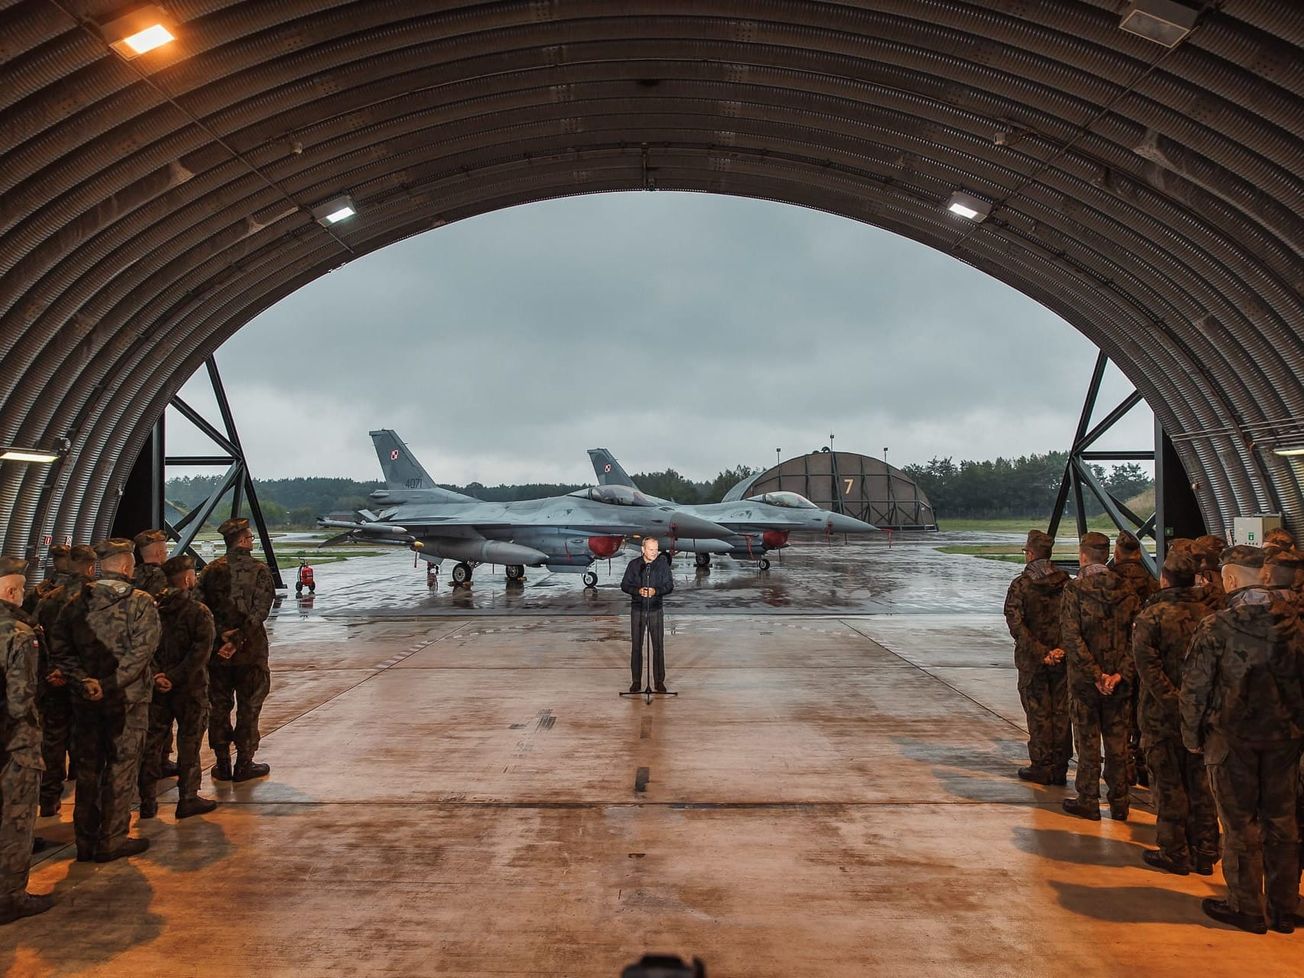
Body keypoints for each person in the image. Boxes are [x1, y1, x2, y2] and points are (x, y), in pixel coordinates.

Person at [1181, 545, 1304, 935]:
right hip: (1286, 740)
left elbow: (1195, 689)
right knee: (1283, 821)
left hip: (1231, 740)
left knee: (1239, 824)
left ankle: (1246, 906)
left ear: (1230, 580)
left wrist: (1192, 736)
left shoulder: (1216, 627)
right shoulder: (1297, 624)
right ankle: (1285, 908)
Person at [48, 538, 159, 862]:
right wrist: (109, 683)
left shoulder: (75, 603)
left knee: (87, 769)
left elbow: (60, 649)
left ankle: (85, 841)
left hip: (86, 702)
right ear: (127, 566)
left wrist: (84, 681)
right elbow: (141, 654)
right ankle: (112, 840)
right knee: (121, 769)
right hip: (127, 702)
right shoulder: (141, 602)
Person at [1132, 550, 1219, 876]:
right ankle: (1206, 851)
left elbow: (1149, 670)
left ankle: (1174, 852)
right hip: (1204, 716)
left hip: (1162, 718)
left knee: (1168, 785)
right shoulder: (1212, 615)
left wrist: (1176, 703)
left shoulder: (1152, 617)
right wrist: (1195, 706)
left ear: (1164, 578)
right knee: (1201, 784)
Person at [1060, 531, 1141, 821]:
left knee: (1088, 741)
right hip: (1118, 684)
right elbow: (1137, 638)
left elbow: (1071, 637)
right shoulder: (1127, 591)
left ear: (1083, 555)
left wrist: (1095, 674)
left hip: (1085, 683)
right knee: (1118, 744)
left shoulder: (1075, 591)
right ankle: (1120, 803)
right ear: (1107, 556)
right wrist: (1119, 674)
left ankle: (1088, 799)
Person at [139, 555, 217, 820]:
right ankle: (187, 798)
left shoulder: (150, 609)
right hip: (190, 689)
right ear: (186, 579)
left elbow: (142, 649)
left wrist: (157, 676)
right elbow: (200, 653)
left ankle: (148, 802)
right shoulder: (198, 611)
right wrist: (175, 676)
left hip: (157, 689)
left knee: (152, 745)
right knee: (189, 743)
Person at [200, 517, 275, 782]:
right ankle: (245, 763)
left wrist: (223, 637)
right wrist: (239, 639)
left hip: (218, 654)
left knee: (218, 707)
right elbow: (260, 611)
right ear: (243, 541)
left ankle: (222, 764)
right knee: (249, 706)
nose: (252, 542)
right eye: (251, 538)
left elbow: (202, 610)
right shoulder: (259, 570)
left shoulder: (210, 571)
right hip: (250, 652)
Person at [0, 557, 54, 924]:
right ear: (11, 592)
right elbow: (20, 701)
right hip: (14, 743)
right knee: (16, 818)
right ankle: (10, 897)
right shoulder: (19, 635)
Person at [32, 544, 96, 816]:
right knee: (90, 740)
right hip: (87, 680)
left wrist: (53, 669)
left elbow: (36, 635)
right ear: (92, 567)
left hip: (55, 679)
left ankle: (48, 798)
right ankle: (87, 802)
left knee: (53, 739)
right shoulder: (98, 597)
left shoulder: (48, 598)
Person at [1002, 529, 1071, 784]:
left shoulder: (1021, 585)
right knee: (1062, 714)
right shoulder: (1067, 584)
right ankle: (1060, 767)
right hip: (1063, 660)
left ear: (1030, 553)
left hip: (1033, 662)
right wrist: (1060, 649)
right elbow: (1075, 621)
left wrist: (1041, 653)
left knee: (1039, 712)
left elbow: (1016, 623)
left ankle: (1042, 766)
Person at [1112, 531, 1157, 787]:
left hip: (1118, 660)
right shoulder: (1153, 583)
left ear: (1117, 553)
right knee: (1143, 717)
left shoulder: (1112, 581)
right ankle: (1143, 767)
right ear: (1139, 554)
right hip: (1146, 660)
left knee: (1120, 719)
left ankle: (1125, 768)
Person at [620, 536, 674, 693]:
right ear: (643, 549)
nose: (654, 552)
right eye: (651, 549)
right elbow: (624, 585)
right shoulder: (634, 565)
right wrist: (638, 591)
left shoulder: (662, 565)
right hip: (638, 610)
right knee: (636, 647)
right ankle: (636, 681)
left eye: (656, 549)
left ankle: (659, 682)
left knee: (658, 647)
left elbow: (669, 586)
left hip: (656, 610)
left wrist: (655, 591)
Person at [132, 529, 169, 598]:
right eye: (166, 550)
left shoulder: (130, 574)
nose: (167, 553)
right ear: (159, 553)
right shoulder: (167, 576)